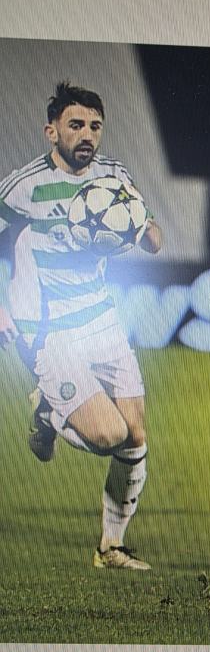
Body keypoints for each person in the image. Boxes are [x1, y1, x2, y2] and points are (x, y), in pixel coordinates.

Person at [0, 82, 162, 570]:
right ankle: (50, 412)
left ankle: (111, 548)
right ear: (52, 131)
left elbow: (153, 234)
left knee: (136, 438)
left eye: (95, 126)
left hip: (103, 320)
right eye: (76, 125)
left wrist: (139, 230)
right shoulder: (26, 185)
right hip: (50, 331)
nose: (87, 134)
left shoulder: (113, 176)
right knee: (109, 435)